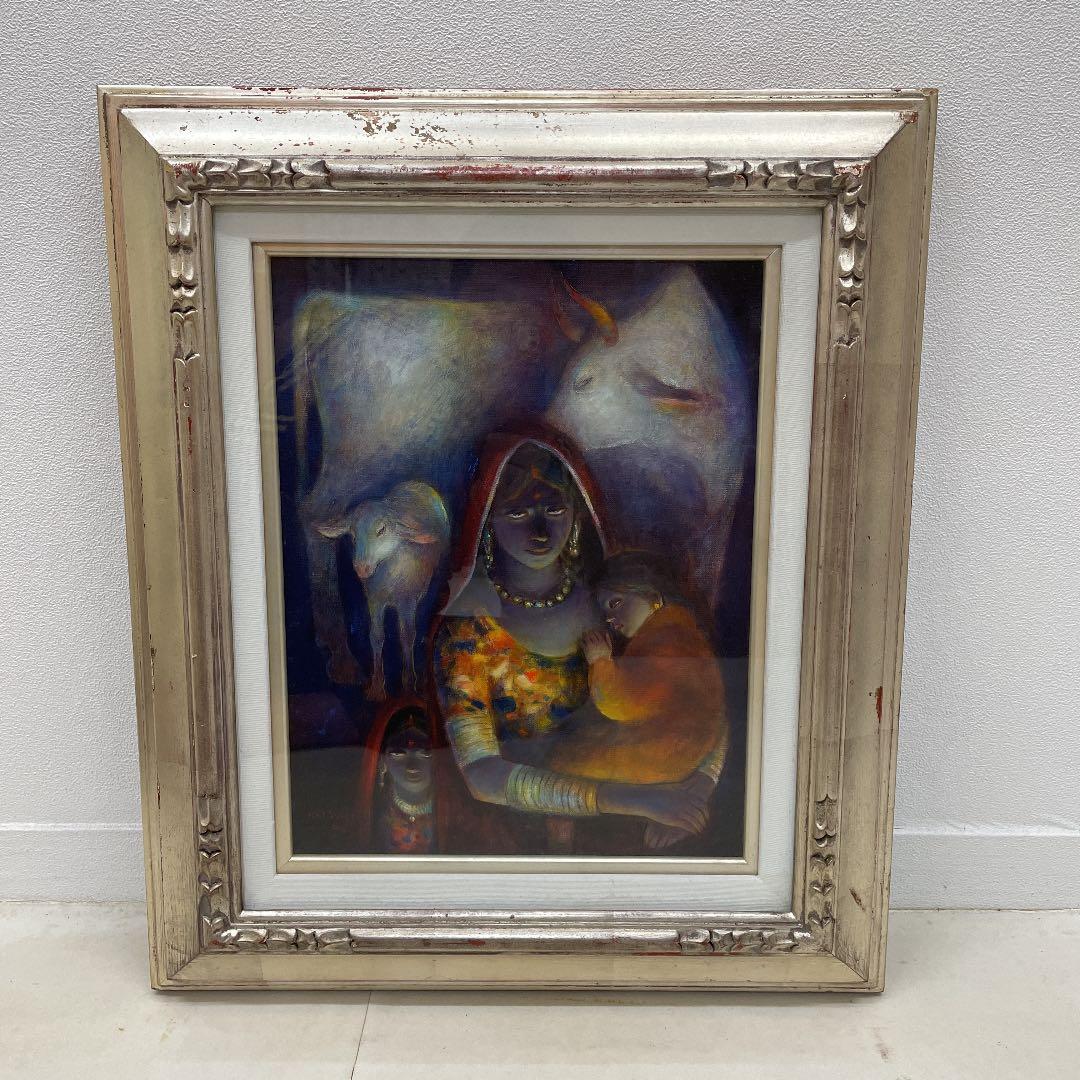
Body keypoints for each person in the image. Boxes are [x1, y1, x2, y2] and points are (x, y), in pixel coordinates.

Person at [431, 430, 712, 854]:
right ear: (487, 522)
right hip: (519, 838)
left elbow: (700, 690)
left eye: (555, 509)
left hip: (641, 820)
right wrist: (637, 800)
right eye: (518, 513)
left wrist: (697, 790)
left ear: (578, 514)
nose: (541, 531)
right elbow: (481, 775)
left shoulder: (615, 602)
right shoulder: (469, 633)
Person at [547, 551, 727, 786]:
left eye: (616, 603)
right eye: (605, 612)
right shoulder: (678, 628)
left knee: (561, 760)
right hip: (679, 745)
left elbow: (619, 704)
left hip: (663, 756)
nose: (610, 619)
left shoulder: (666, 644)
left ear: (652, 596)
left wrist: (600, 661)